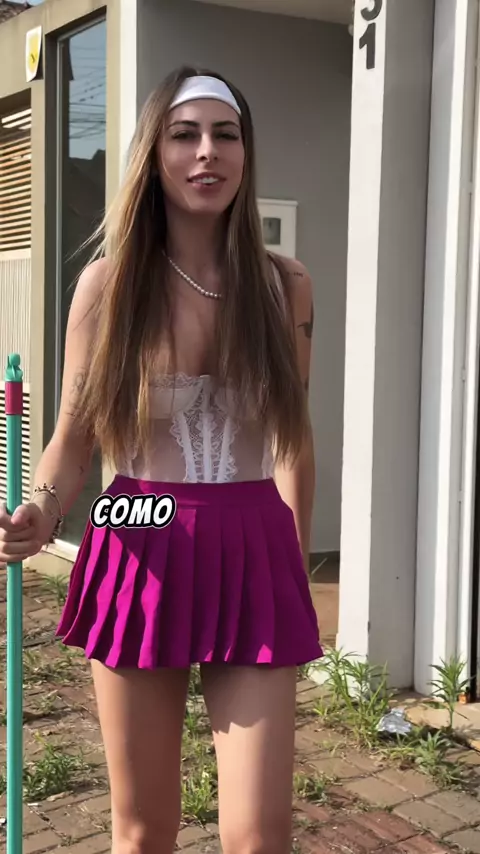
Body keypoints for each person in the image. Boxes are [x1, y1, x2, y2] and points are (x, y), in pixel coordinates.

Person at [0, 67, 323, 854]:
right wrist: (41, 506)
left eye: (226, 134)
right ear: (154, 154)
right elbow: (74, 436)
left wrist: (295, 562)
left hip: (254, 547)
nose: (207, 151)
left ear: (245, 154)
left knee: (260, 835)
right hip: (137, 539)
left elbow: (293, 435)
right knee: (144, 831)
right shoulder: (108, 286)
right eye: (185, 135)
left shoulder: (285, 286)